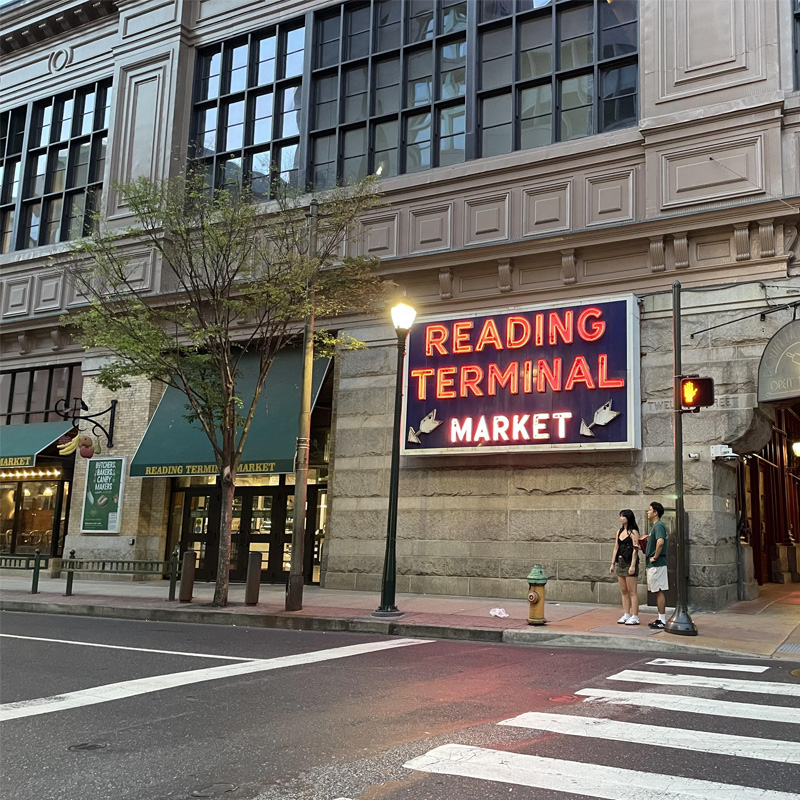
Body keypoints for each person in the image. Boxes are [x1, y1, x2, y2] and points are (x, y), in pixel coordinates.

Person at [609, 509, 640, 625]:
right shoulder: (619, 532)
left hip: (629, 562)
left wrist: (632, 565)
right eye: (620, 516)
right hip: (620, 562)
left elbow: (635, 550)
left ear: (628, 518)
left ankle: (635, 615)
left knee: (632, 591)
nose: (621, 518)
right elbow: (616, 547)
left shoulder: (633, 532)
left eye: (623, 516)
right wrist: (613, 563)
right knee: (624, 590)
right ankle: (626, 613)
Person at [644, 501, 669, 629]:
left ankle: (662, 619)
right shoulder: (656, 526)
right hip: (654, 563)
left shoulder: (659, 526)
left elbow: (660, 542)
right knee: (656, 590)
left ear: (655, 512)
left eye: (650, 510)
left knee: (658, 590)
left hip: (657, 564)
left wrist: (655, 556)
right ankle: (660, 618)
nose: (648, 512)